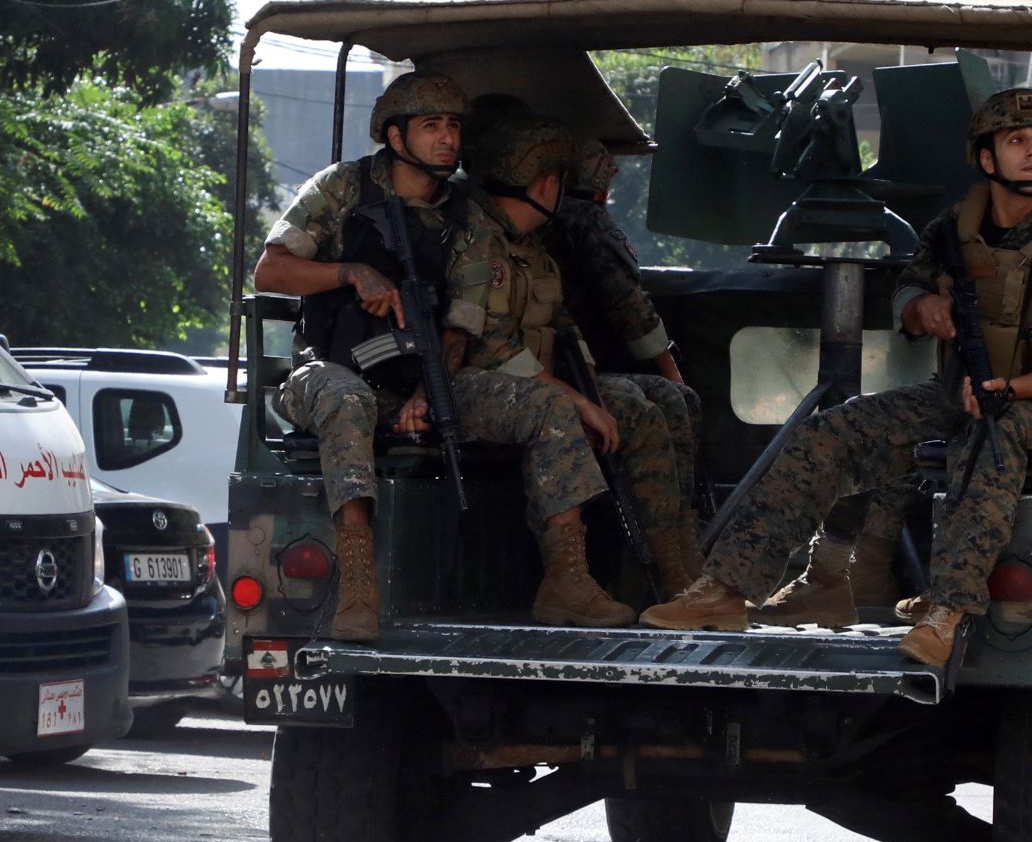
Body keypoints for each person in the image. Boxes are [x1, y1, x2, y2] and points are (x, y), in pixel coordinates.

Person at [644, 89, 1032, 667]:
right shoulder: (952, 230)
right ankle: (733, 588)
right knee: (828, 434)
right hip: (957, 392)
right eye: (1017, 141)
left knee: (994, 434)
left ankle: (945, 612)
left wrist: (1010, 389)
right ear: (987, 159)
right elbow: (909, 288)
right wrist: (922, 311)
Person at [251, 72, 640, 638]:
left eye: (454, 126)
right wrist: (350, 272)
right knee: (347, 399)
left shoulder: (468, 216)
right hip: (327, 371)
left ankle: (567, 582)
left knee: (549, 408)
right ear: (396, 135)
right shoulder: (342, 188)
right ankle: (358, 591)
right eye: (431, 126)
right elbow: (270, 270)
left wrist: (426, 395)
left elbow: (463, 324)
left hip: (429, 377)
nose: (447, 139)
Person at [446, 113, 703, 623]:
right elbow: (494, 349)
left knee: (652, 405)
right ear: (546, 184)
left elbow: (564, 327)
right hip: (478, 385)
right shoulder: (479, 242)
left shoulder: (533, 248)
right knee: (561, 407)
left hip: (535, 380)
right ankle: (567, 579)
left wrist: (590, 385)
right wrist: (580, 399)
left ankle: (672, 570)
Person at [548, 138, 703, 524]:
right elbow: (629, 305)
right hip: (582, 364)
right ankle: (676, 522)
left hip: (567, 360)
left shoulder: (542, 218)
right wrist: (672, 372)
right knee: (674, 399)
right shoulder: (588, 220)